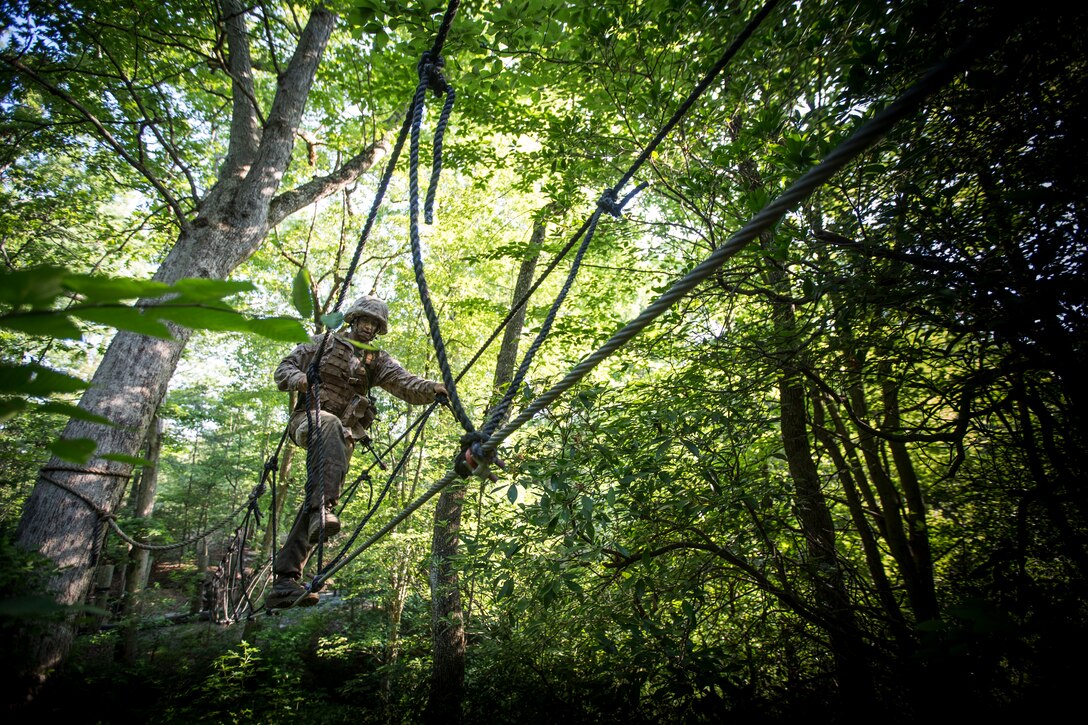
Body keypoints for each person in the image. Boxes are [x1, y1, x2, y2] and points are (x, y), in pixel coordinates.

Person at [265, 295, 446, 608]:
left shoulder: (376, 360)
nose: (369, 328)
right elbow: (284, 369)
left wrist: (433, 388)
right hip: (309, 420)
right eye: (366, 321)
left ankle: (285, 580)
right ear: (353, 320)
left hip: (342, 437)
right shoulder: (322, 344)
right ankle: (321, 511)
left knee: (317, 504)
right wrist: (301, 379)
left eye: (375, 325)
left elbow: (405, 382)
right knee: (328, 434)